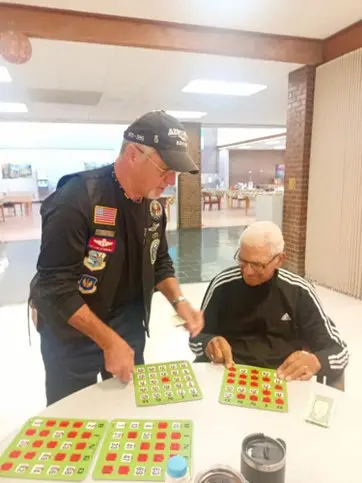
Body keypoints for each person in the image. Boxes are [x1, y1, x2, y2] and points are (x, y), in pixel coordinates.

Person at [30, 110, 204, 405]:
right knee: (72, 414)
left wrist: (179, 301)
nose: (171, 180)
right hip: (72, 329)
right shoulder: (77, 199)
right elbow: (54, 286)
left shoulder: (153, 207)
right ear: (133, 154)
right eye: (165, 168)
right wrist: (107, 339)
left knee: (127, 409)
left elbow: (159, 261)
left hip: (127, 323)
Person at [189, 221, 348, 385]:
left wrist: (317, 361)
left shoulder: (299, 291)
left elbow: (339, 351)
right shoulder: (222, 285)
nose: (248, 272)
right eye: (242, 261)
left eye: (257, 265)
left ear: (279, 260)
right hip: (229, 375)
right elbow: (195, 338)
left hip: (282, 380)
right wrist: (208, 343)